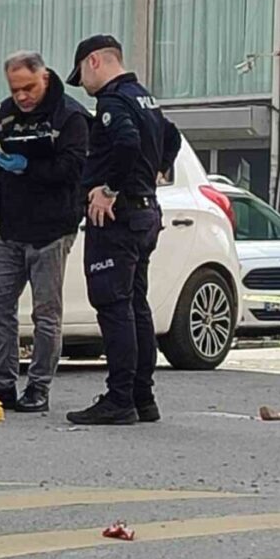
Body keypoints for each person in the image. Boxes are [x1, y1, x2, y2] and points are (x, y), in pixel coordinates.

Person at [0, 51, 89, 414]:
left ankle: (39, 387)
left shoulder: (71, 116)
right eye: (15, 90)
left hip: (50, 230)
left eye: (28, 88)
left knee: (46, 313)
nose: (22, 97)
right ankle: (1, 382)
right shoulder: (9, 111)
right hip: (11, 227)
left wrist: (27, 166)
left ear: (44, 77)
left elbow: (72, 169)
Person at [63, 34, 181, 425]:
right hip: (145, 214)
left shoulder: (114, 101)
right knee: (135, 305)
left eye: (81, 74)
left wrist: (108, 190)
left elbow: (127, 143)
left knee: (114, 307)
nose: (84, 85)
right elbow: (173, 135)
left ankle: (119, 400)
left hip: (118, 219)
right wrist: (158, 170)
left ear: (94, 61)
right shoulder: (145, 97)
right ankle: (142, 397)